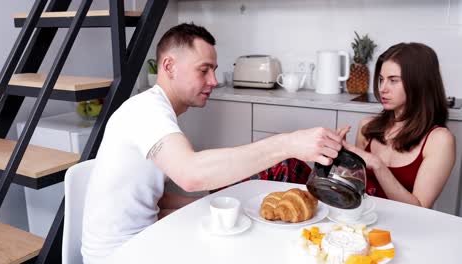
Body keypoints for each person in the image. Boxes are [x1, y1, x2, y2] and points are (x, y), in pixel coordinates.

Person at [81, 23, 343, 263]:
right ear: (169, 66)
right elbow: (191, 174)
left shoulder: (155, 109)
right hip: (120, 255)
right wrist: (288, 143)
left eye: (214, 70)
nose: (214, 81)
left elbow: (151, 199)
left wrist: (226, 208)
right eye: (203, 70)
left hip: (141, 240)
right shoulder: (147, 111)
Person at [343, 42, 456, 208]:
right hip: (362, 223)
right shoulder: (367, 127)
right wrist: (342, 158)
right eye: (381, 80)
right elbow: (354, 188)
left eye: (393, 81)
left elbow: (420, 209)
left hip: (406, 230)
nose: (382, 88)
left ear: (419, 83)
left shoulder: (439, 140)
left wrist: (378, 165)